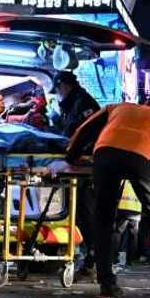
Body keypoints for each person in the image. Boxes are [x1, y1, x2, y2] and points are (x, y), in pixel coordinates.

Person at [66, 93, 150, 298]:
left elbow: (84, 130)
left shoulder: (118, 107)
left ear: (146, 104)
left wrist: (71, 157)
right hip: (141, 159)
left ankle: (107, 284)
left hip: (104, 154)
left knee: (103, 220)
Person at [51, 70, 102, 276]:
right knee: (78, 212)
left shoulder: (83, 104)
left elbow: (84, 134)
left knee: (85, 213)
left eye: (57, 89)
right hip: (77, 163)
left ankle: (92, 256)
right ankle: (85, 254)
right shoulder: (73, 104)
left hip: (84, 166)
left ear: (64, 85)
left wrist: (70, 157)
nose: (57, 93)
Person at [115, 179, 142, 268]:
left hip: (124, 208)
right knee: (133, 236)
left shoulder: (124, 180)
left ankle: (118, 259)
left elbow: (117, 192)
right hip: (136, 209)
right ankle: (131, 260)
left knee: (119, 234)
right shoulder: (140, 180)